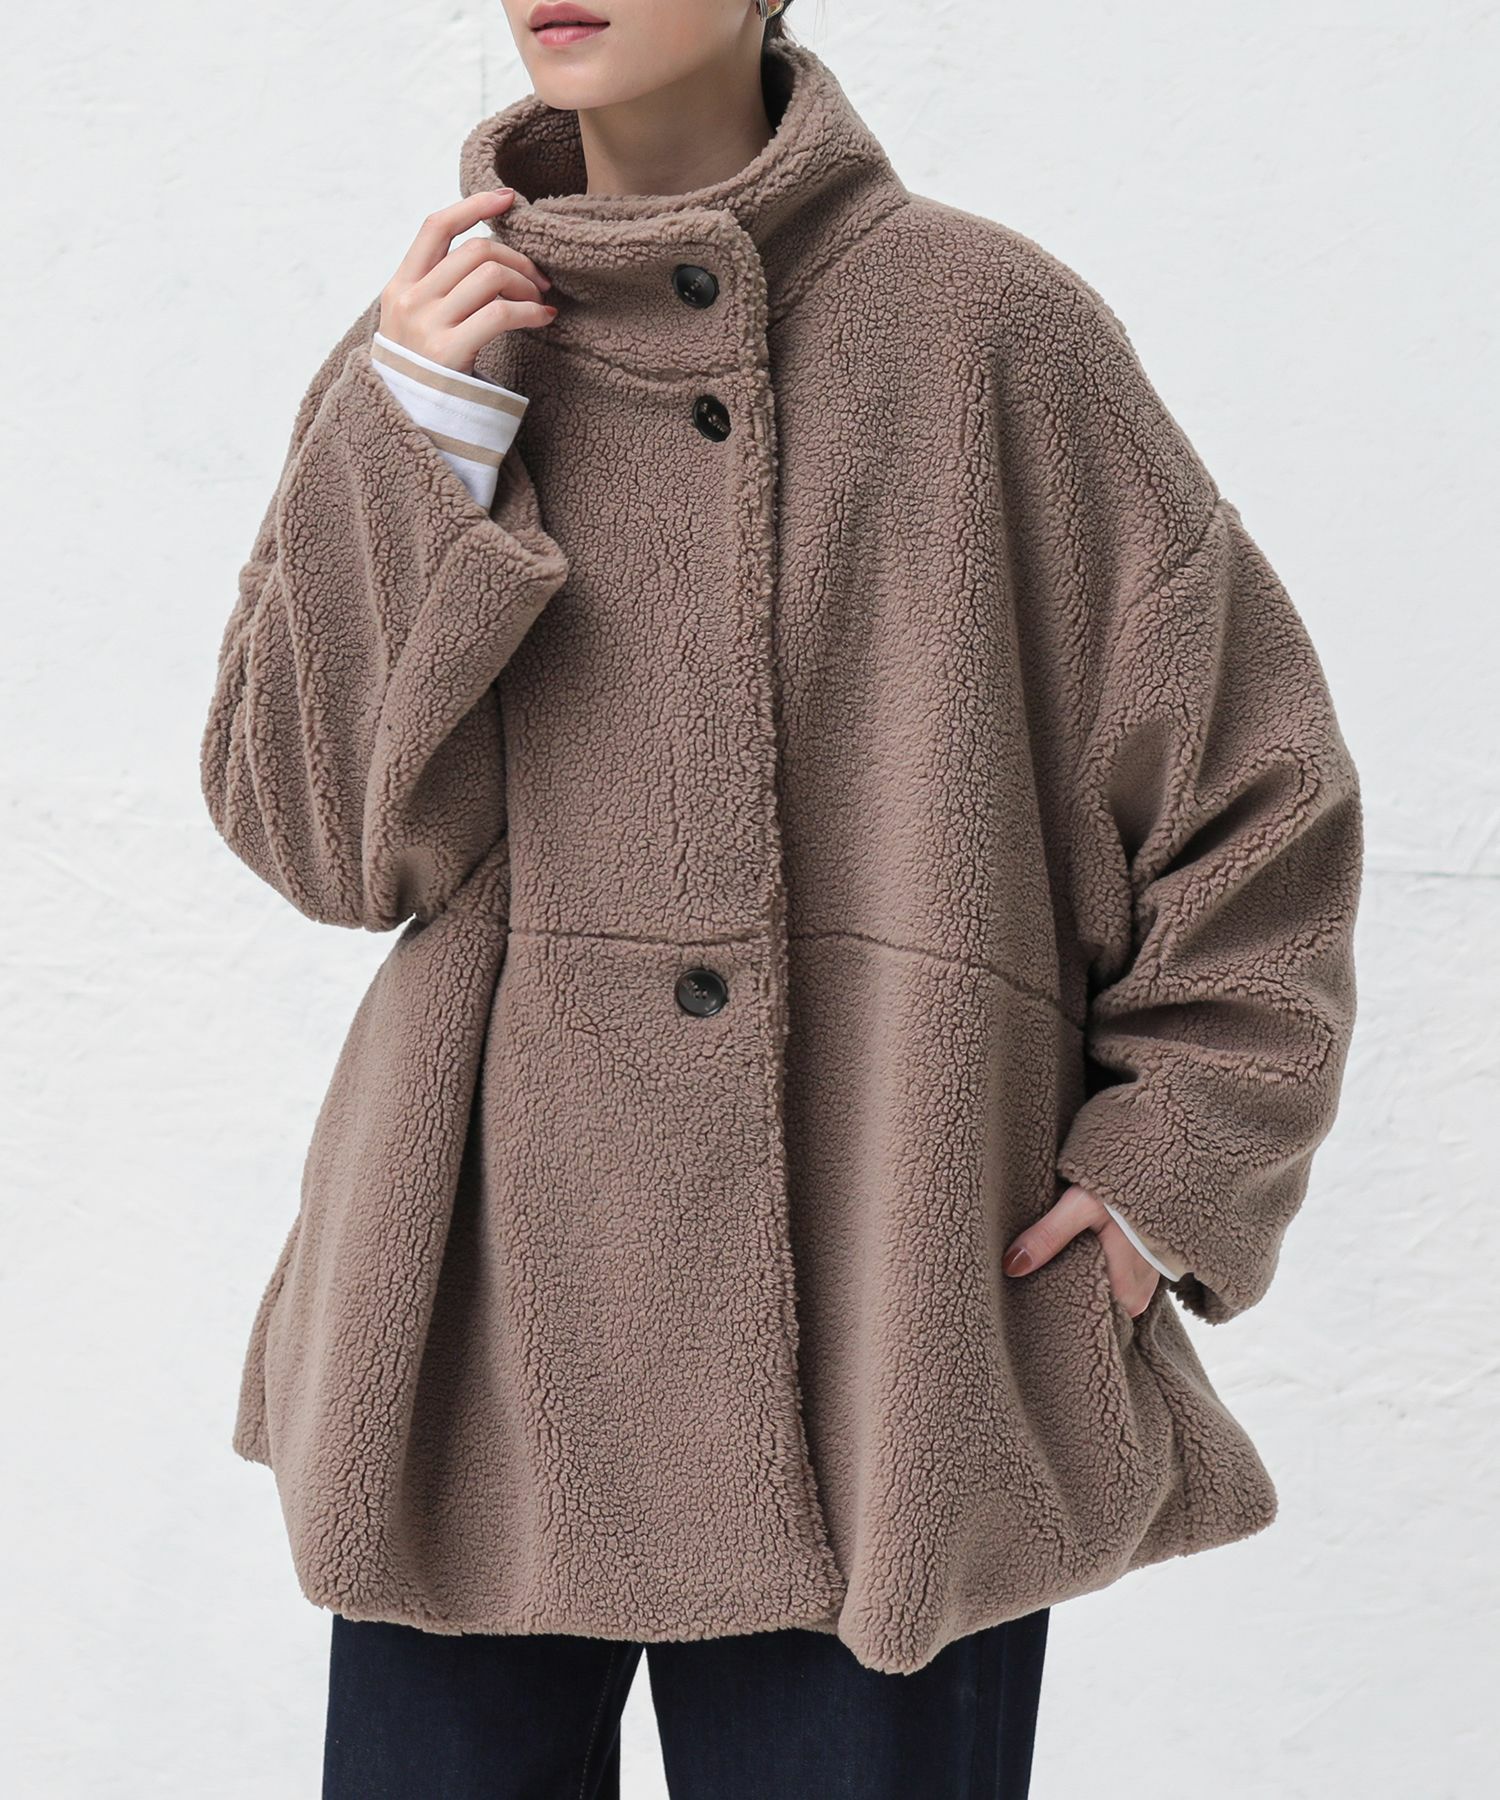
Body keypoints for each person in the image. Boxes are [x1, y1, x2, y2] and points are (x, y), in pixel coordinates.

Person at [198, 3, 1363, 1795]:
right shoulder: (432, 350)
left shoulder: (988, 329)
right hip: (483, 1339)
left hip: (892, 1328)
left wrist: (1164, 1176)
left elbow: (1252, 790)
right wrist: (420, 438)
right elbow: (315, 836)